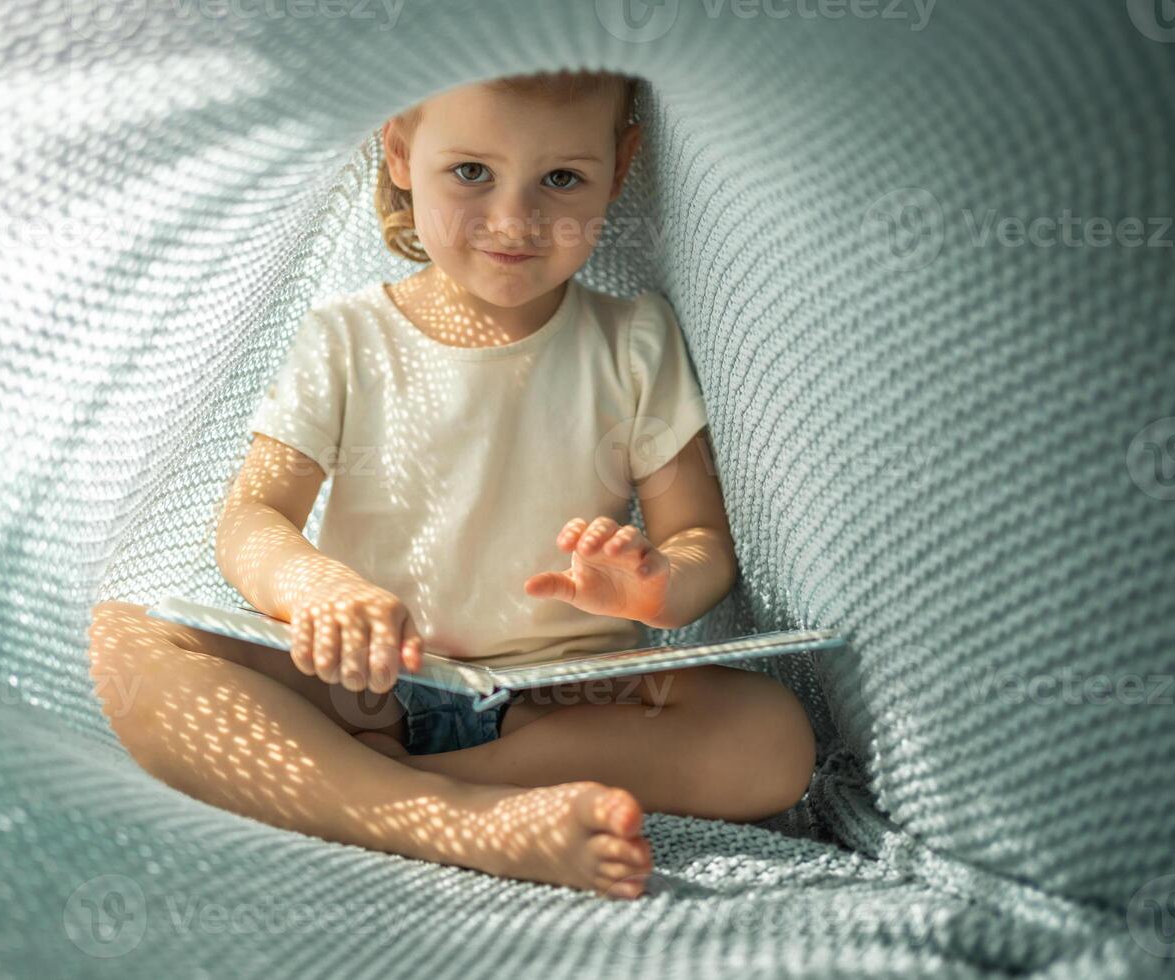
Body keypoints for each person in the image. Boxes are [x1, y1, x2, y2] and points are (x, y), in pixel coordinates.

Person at [88, 71, 815, 899]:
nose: (515, 220)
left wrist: (658, 585)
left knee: (775, 736)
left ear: (621, 165)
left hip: (566, 701)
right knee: (124, 645)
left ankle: (418, 785)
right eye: (472, 172)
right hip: (366, 688)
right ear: (400, 152)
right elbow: (251, 517)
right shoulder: (347, 337)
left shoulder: (633, 343)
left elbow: (702, 545)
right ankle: (448, 816)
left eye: (562, 179)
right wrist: (315, 585)